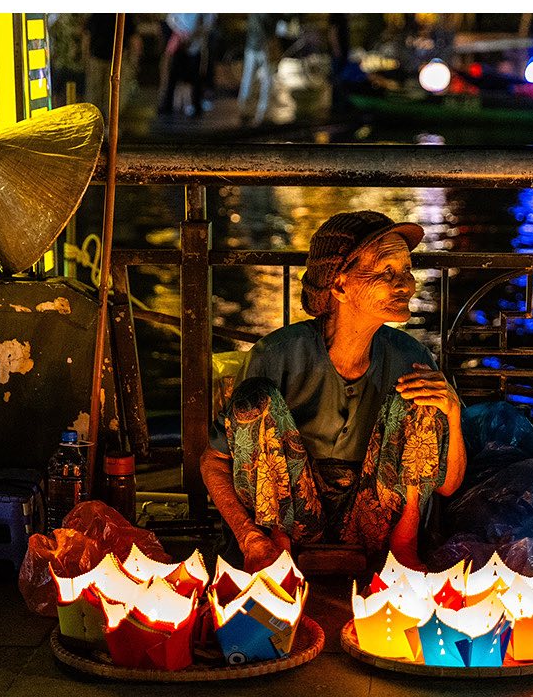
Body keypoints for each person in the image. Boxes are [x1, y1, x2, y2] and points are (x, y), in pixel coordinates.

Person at [200, 210, 468, 572]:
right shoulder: (277, 354)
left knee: (423, 395)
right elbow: (213, 461)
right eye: (386, 272)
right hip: (291, 519)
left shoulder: (412, 358)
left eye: (406, 270)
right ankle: (276, 553)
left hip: (375, 521)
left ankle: (403, 548)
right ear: (340, 286)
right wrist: (250, 537)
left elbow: (448, 487)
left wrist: (450, 413)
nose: (405, 284)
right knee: (256, 400)